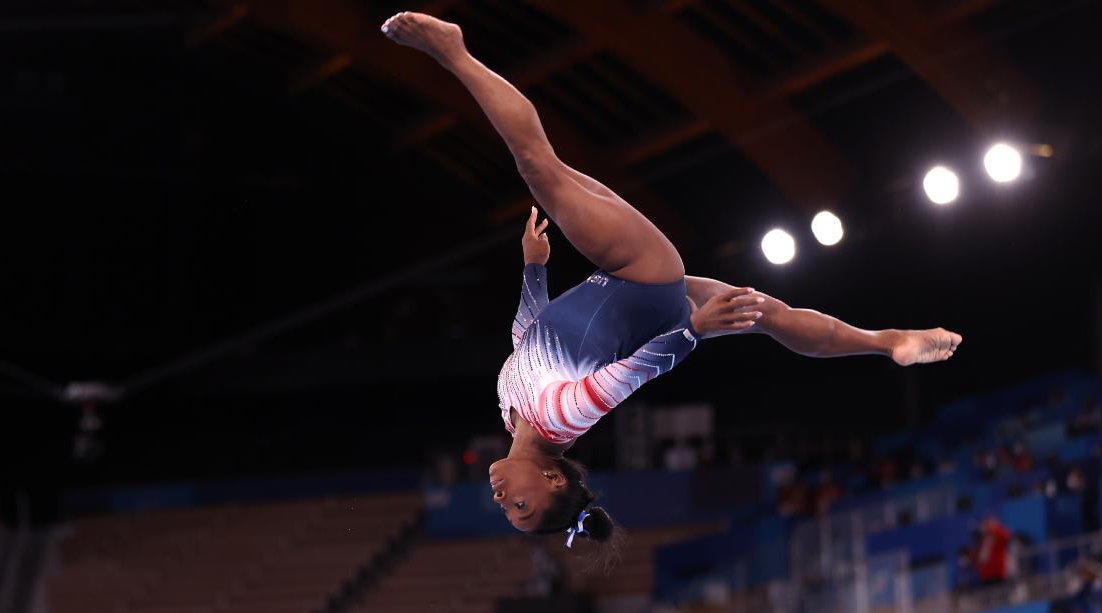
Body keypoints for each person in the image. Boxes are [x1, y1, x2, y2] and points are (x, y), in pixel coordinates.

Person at [380, 12, 963, 551]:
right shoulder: (564, 420)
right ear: (553, 477)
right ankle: (454, 52)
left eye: (508, 511)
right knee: (539, 167)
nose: (504, 501)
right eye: (524, 506)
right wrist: (694, 328)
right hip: (641, 276)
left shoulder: (513, 411)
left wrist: (534, 268)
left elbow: (527, 337)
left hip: (638, 293)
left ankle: (889, 341)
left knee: (774, 318)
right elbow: (636, 371)